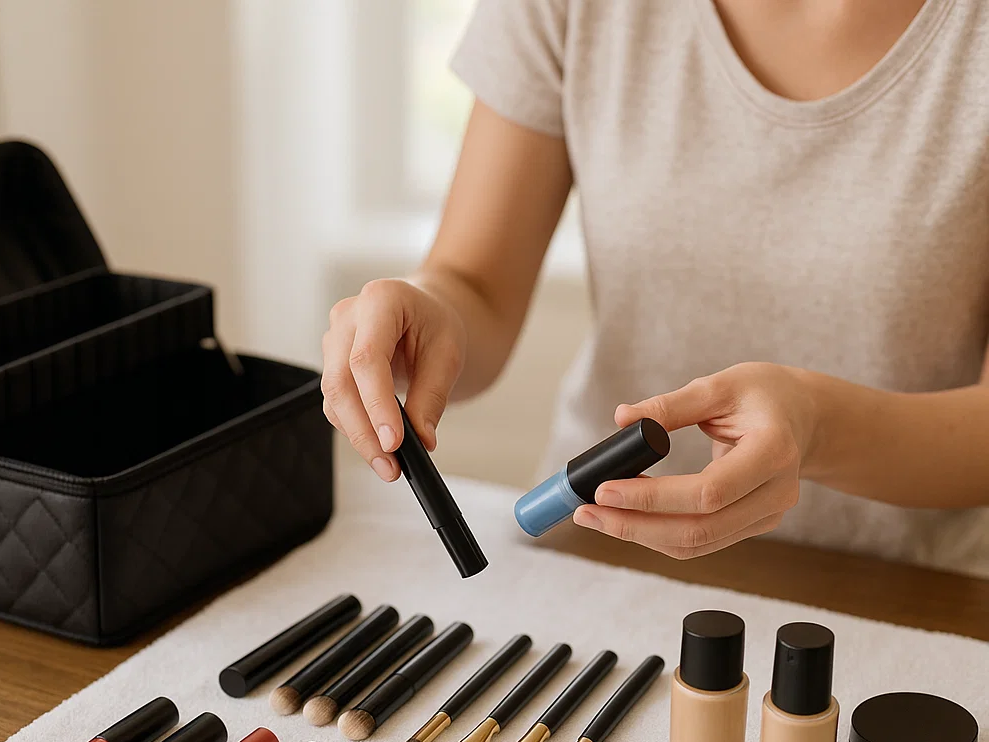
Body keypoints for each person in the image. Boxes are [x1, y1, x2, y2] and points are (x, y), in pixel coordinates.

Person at [320, 0, 989, 576]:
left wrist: (815, 427)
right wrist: (423, 313)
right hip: (594, 560)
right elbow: (474, 286)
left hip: (899, 593)